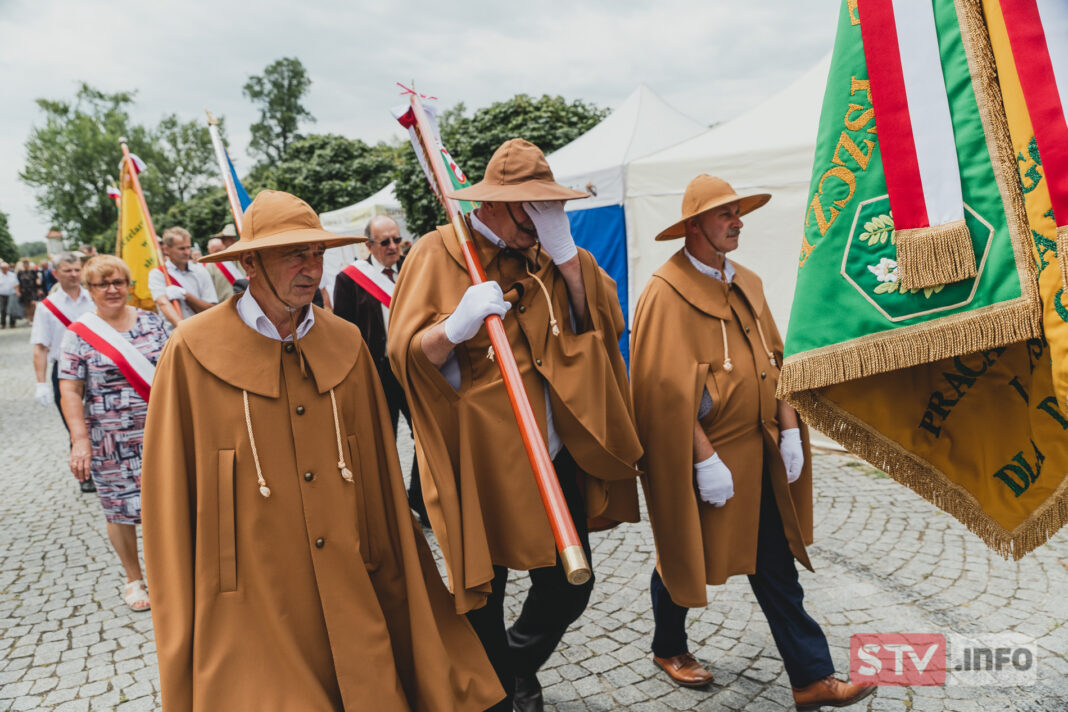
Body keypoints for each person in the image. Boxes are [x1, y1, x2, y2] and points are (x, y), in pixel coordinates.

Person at [141, 190, 503, 712]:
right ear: (249, 263)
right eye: (295, 254)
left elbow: (377, 467)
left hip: (351, 572)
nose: (312, 268)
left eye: (317, 253)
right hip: (251, 589)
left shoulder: (347, 342)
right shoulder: (192, 350)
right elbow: (169, 488)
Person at [388, 139, 643, 712]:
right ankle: (498, 694)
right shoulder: (438, 252)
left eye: (551, 206)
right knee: (486, 591)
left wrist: (568, 257)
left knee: (568, 585)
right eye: (534, 207)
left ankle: (513, 665)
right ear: (497, 206)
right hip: (480, 459)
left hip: (551, 453)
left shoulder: (551, 253)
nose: (545, 218)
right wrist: (452, 328)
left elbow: (599, 326)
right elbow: (405, 358)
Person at [630, 175, 875, 710]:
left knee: (774, 562)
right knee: (682, 549)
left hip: (759, 450)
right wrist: (704, 460)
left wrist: (789, 426)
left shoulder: (749, 282)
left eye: (739, 212)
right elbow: (660, 393)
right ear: (693, 225)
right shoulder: (664, 293)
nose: (738, 222)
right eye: (725, 215)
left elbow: (775, 360)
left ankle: (811, 678)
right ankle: (668, 645)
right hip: (705, 456)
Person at [58, 255, 170, 611]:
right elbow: (71, 391)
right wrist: (79, 441)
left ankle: (172, 575)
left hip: (161, 432)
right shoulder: (78, 335)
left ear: (129, 286)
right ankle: (134, 579)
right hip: (111, 441)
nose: (111, 289)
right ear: (89, 290)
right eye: (102, 284)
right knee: (119, 510)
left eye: (118, 282)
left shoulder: (153, 323)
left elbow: (176, 373)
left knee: (170, 504)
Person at [333, 214, 427, 525]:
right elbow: (345, 333)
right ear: (369, 245)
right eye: (385, 241)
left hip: (411, 368)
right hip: (376, 372)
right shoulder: (349, 279)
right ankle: (392, 511)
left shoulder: (411, 270)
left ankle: (420, 497)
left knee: (426, 434)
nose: (393, 247)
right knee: (381, 441)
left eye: (396, 239)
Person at [30, 252, 96, 493]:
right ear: (55, 273)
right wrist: (41, 383)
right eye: (68, 270)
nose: (74, 275)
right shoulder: (47, 307)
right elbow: (40, 347)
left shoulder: (93, 298)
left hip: (97, 366)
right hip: (66, 372)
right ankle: (85, 473)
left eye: (77, 269)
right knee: (75, 424)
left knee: (101, 420)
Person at [147, 226, 217, 327]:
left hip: (204, 329)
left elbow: (211, 309)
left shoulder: (200, 270)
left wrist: (186, 296)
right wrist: (183, 330)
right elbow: (163, 304)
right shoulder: (158, 274)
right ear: (166, 249)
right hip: (176, 333)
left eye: (188, 247)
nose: (187, 253)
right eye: (181, 248)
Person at [203, 224, 247, 301]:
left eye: (235, 238)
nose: (234, 241)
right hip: (227, 307)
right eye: (229, 239)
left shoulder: (246, 257)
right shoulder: (212, 264)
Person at [16, 258, 41, 323]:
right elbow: (17, 283)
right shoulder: (20, 273)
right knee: (27, 305)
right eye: (24, 264)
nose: (26, 265)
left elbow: (37, 280)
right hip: (24, 290)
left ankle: (35, 316)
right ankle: (29, 317)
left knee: (33, 303)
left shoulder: (33, 271)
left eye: (27, 264)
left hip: (32, 290)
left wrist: (39, 289)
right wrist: (18, 291)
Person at [0, 261, 18, 328]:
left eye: (6, 268)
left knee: (12, 309)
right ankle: (3, 323)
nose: (5, 269)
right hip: (2, 294)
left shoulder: (12, 275)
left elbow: (16, 284)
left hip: (11, 294)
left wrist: (18, 292)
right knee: (3, 309)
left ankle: (12, 323)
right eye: (3, 268)